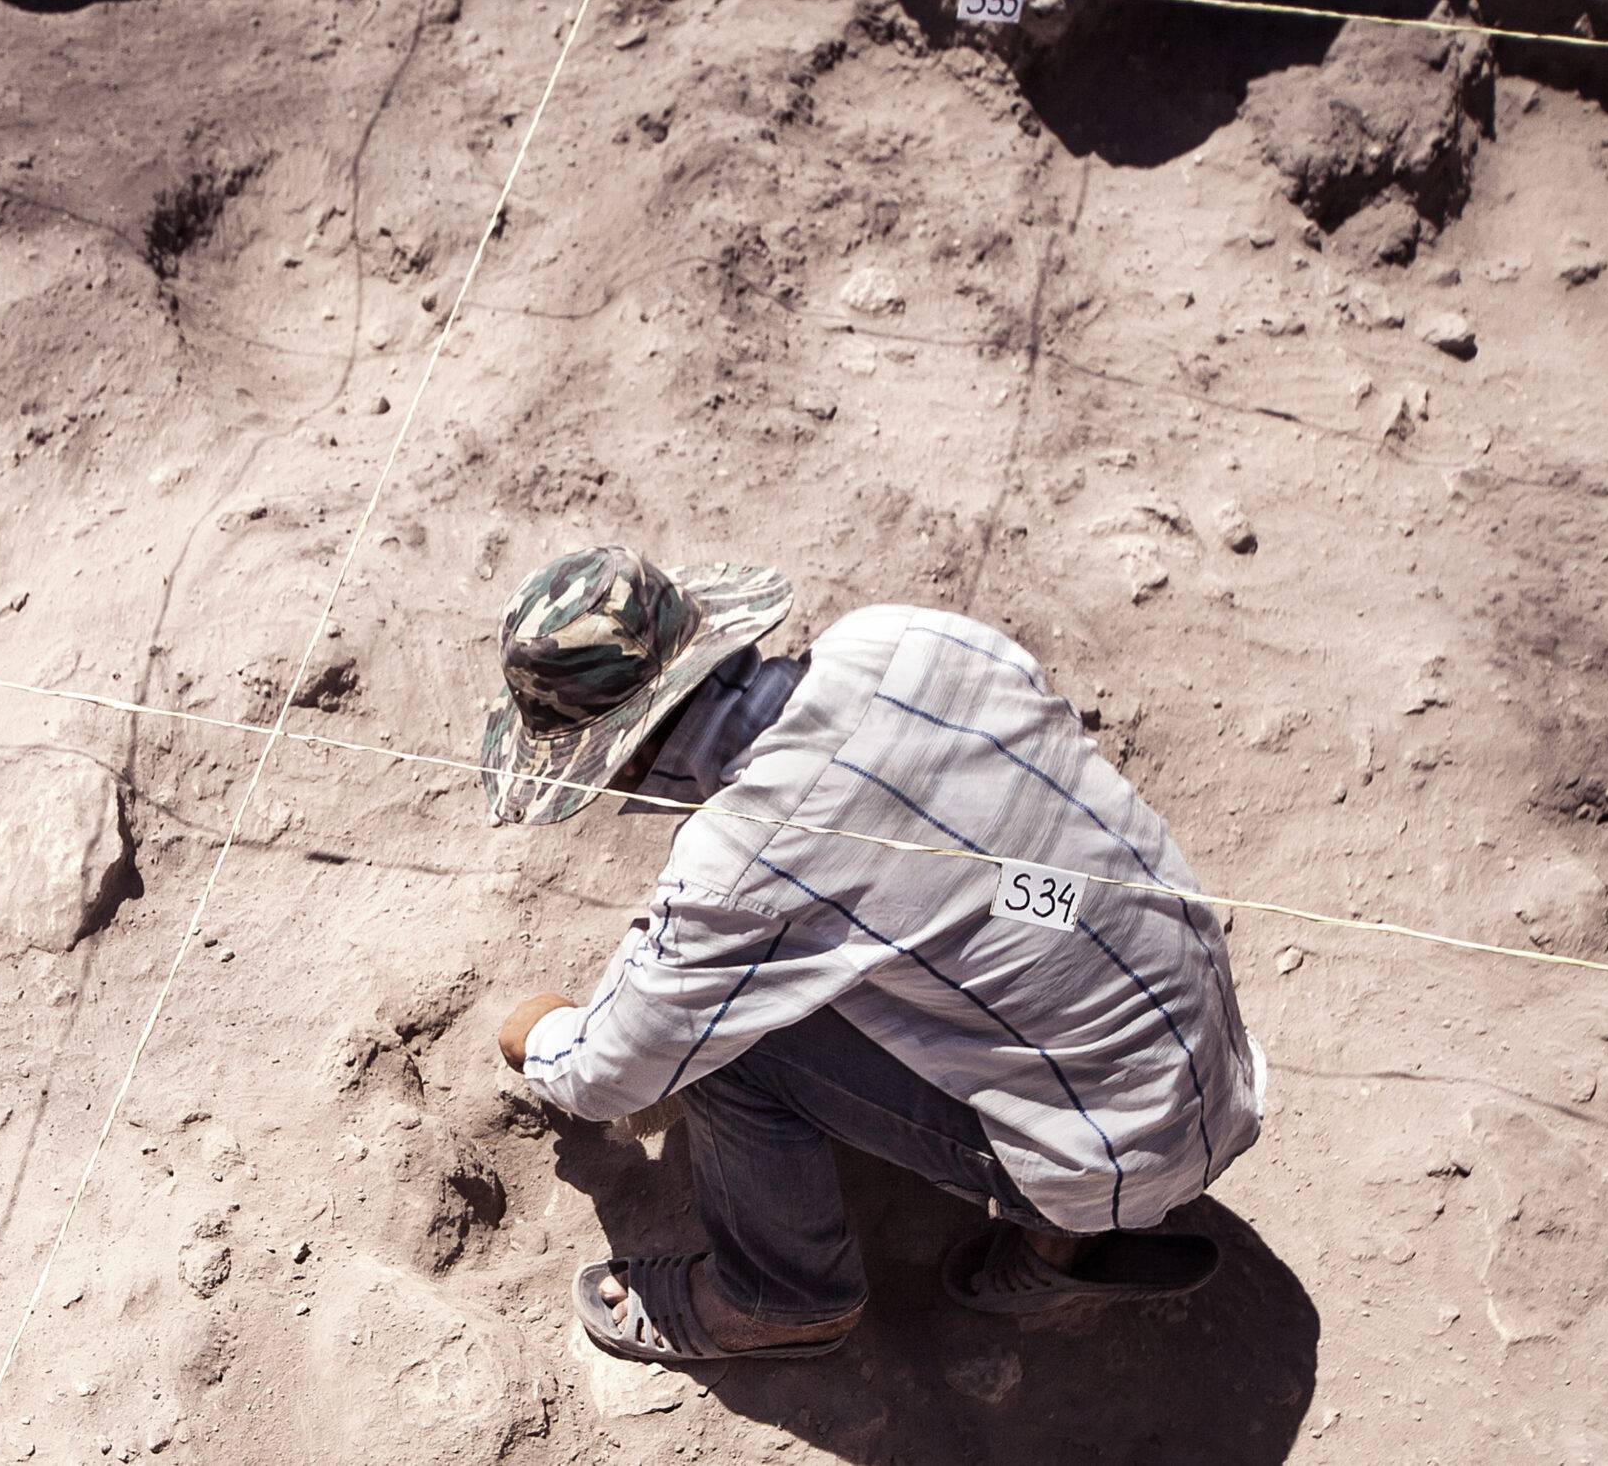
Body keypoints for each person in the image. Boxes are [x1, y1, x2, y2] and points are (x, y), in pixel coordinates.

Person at [482, 546, 1265, 1364]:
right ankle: (1059, 1248)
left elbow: (613, 1072)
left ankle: (781, 1298)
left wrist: (540, 1038)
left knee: (721, 1042)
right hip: (1214, 1063)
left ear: (627, 754)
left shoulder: (738, 863)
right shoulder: (901, 637)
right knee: (972, 931)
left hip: (1110, 1154)